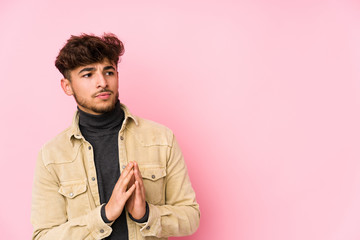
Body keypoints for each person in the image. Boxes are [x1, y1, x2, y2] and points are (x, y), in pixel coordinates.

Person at [31, 33, 200, 240]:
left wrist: (146, 214)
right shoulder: (52, 155)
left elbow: (191, 217)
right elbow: (43, 236)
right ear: (67, 86)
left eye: (109, 72)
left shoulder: (161, 139)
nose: (102, 82)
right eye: (88, 75)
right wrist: (103, 216)